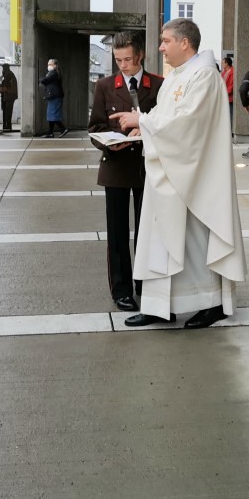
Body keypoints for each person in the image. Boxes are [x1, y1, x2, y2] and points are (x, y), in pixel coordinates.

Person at [110, 19, 246, 329]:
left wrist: (143, 122)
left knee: (193, 242)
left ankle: (210, 303)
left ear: (185, 43)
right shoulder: (176, 76)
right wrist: (142, 126)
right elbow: (164, 116)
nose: (160, 47)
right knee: (160, 240)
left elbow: (189, 124)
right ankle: (160, 306)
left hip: (194, 176)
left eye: (166, 40)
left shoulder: (204, 76)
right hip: (168, 170)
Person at [88, 32, 164, 312]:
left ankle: (145, 283)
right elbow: (95, 128)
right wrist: (110, 142)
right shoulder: (105, 86)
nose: (123, 65)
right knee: (117, 232)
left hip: (148, 167)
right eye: (118, 60)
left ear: (140, 55)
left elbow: (164, 123)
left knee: (148, 230)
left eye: (128, 59)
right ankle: (121, 290)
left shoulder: (158, 85)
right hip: (116, 166)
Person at [39, 58, 66, 138]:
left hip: (55, 97)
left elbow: (45, 80)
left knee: (53, 114)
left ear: (55, 65)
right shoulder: (52, 73)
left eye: (50, 64)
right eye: (48, 64)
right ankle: (50, 133)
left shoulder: (54, 73)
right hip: (53, 97)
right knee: (51, 115)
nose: (49, 66)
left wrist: (39, 79)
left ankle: (63, 129)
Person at [0, 64, 18, 131]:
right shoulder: (6, 77)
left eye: (3, 69)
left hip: (9, 97)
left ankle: (8, 125)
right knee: (5, 111)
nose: (2, 71)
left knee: (8, 112)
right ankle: (5, 125)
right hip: (5, 97)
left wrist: (5, 89)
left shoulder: (10, 76)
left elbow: (13, 88)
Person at [221, 55, 235, 129]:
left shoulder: (233, 72)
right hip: (224, 97)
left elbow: (231, 86)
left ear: (227, 63)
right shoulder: (224, 73)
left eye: (223, 62)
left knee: (230, 115)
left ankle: (230, 130)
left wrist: (224, 93)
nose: (222, 64)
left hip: (230, 98)